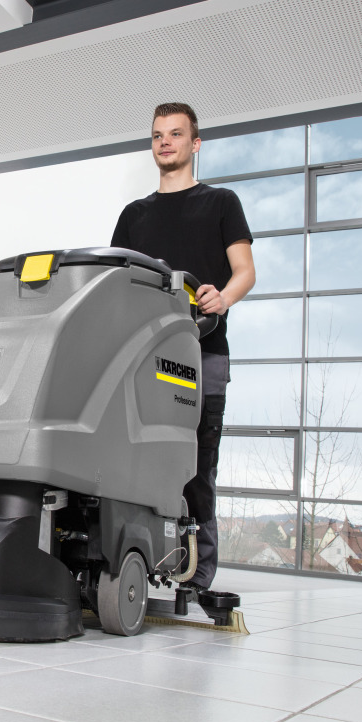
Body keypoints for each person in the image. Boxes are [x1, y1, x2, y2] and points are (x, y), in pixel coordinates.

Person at [111, 102, 255, 592]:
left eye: (175, 134)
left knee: (197, 464)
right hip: (143, 357)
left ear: (195, 143)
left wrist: (223, 297)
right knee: (139, 457)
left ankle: (198, 570)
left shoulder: (221, 203)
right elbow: (118, 283)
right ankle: (140, 554)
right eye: (157, 135)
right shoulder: (134, 215)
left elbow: (245, 272)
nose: (164, 142)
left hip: (203, 353)